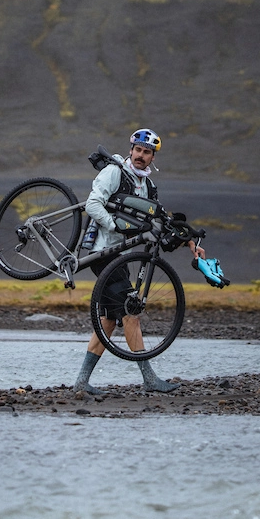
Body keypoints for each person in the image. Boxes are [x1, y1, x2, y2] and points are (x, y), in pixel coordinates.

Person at [73, 128, 205, 394]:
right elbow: (93, 204)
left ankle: (81, 383)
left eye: (147, 153)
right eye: (138, 150)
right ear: (131, 149)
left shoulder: (148, 186)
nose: (141, 156)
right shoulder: (114, 173)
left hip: (119, 256)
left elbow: (162, 222)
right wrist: (114, 225)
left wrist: (191, 243)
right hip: (100, 252)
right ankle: (150, 379)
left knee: (109, 320)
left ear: (153, 157)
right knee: (131, 311)